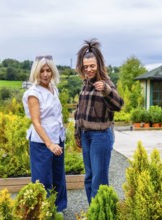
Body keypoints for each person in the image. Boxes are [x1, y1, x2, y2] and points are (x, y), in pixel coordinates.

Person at [74, 39, 124, 204]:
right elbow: (79, 112)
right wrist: (77, 134)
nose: (88, 70)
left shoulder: (106, 83)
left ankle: (101, 213)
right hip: (86, 135)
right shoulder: (86, 84)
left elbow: (119, 105)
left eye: (92, 66)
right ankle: (94, 210)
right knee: (89, 177)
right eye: (85, 66)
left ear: (99, 64)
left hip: (100, 136)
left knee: (99, 179)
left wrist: (107, 90)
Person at [22, 55, 67, 212]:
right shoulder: (33, 93)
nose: (46, 74)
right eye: (42, 71)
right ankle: (42, 212)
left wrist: (59, 139)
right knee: (43, 180)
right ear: (36, 72)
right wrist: (50, 144)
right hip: (42, 142)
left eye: (48, 70)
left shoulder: (54, 89)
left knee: (58, 176)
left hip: (58, 138)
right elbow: (36, 123)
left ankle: (58, 210)